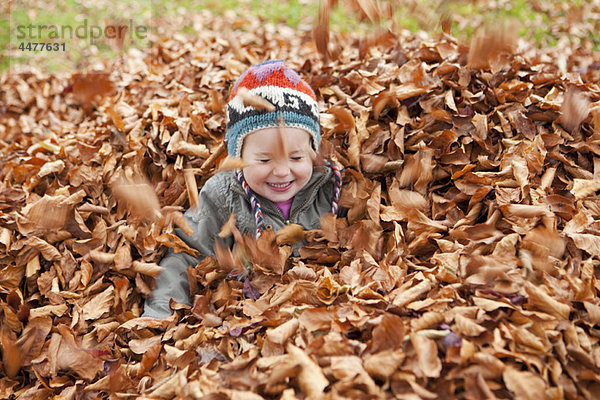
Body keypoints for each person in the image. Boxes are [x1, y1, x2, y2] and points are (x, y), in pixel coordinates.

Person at [142, 60, 343, 318]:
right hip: (249, 316)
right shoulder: (223, 196)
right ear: (238, 154)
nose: (282, 171)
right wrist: (160, 313)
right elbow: (184, 257)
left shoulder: (329, 187)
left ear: (313, 151)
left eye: (296, 158)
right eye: (264, 160)